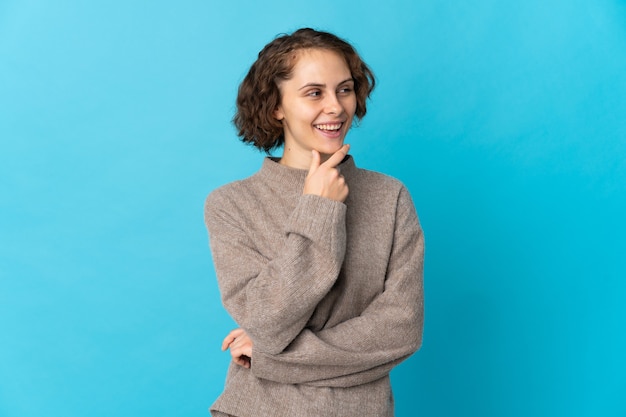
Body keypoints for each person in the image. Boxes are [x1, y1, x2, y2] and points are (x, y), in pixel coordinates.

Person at [204, 27, 424, 417]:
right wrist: (318, 207)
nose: (336, 107)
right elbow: (268, 321)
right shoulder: (231, 204)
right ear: (276, 106)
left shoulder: (389, 196)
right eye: (314, 93)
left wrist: (274, 359)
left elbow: (400, 329)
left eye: (345, 89)